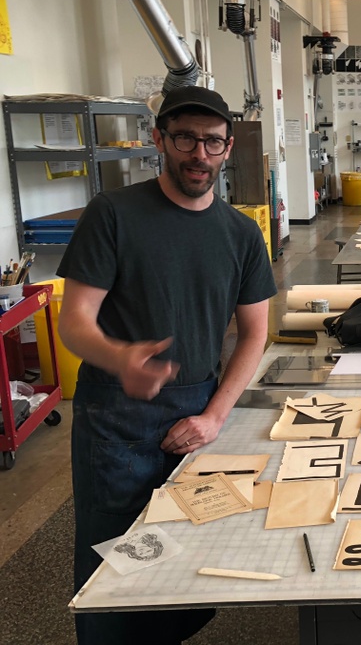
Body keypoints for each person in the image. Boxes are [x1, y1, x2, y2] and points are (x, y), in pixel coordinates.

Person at [57, 85, 278, 645]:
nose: (198, 154)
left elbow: (256, 332)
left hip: (198, 411)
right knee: (116, 557)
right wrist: (119, 356)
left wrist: (217, 416)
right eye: (185, 139)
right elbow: (76, 321)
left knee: (182, 544)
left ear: (228, 149)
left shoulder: (240, 233)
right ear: (160, 140)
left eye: (212, 142)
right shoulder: (113, 215)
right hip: (118, 419)